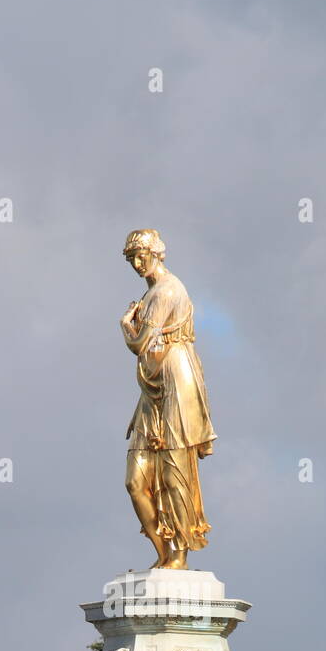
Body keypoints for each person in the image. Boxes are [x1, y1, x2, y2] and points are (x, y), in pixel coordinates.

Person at [120, 229, 216, 570]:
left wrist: (125, 325)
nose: (135, 262)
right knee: (136, 481)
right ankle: (163, 554)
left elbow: (139, 344)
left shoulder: (167, 291)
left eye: (140, 255)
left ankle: (178, 553)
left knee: (175, 469)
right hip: (153, 387)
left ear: (156, 253)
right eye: (130, 257)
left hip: (176, 378)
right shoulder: (150, 296)